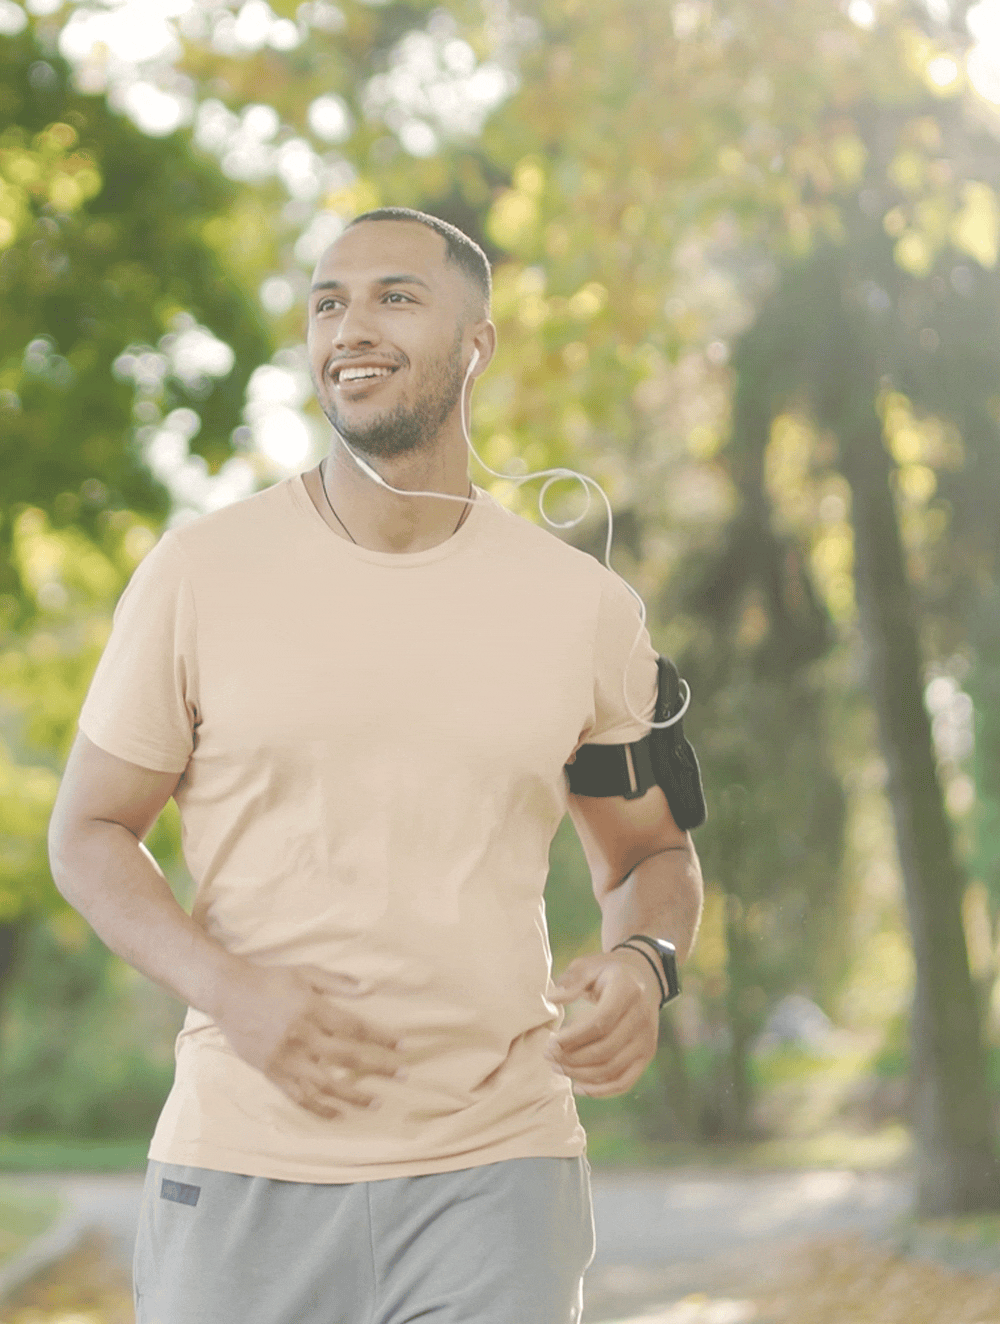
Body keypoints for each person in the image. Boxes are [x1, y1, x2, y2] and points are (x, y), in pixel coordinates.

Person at [47, 208, 704, 1324]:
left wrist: (644, 962)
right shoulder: (199, 573)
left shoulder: (584, 608)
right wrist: (228, 989)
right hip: (242, 1167)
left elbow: (651, 850)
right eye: (327, 302)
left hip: (497, 1175)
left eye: (395, 295)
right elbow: (89, 831)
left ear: (477, 342)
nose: (351, 325)